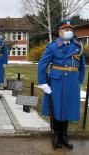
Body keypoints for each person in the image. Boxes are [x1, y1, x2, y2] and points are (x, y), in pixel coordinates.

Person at [38, 20, 85, 149]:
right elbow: (42, 65)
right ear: (59, 31)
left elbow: (82, 66)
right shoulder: (53, 46)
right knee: (57, 108)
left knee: (68, 108)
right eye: (65, 29)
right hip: (57, 82)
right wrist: (43, 83)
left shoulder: (77, 46)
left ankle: (64, 135)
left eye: (70, 29)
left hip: (72, 82)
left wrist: (79, 81)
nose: (69, 32)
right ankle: (56, 135)